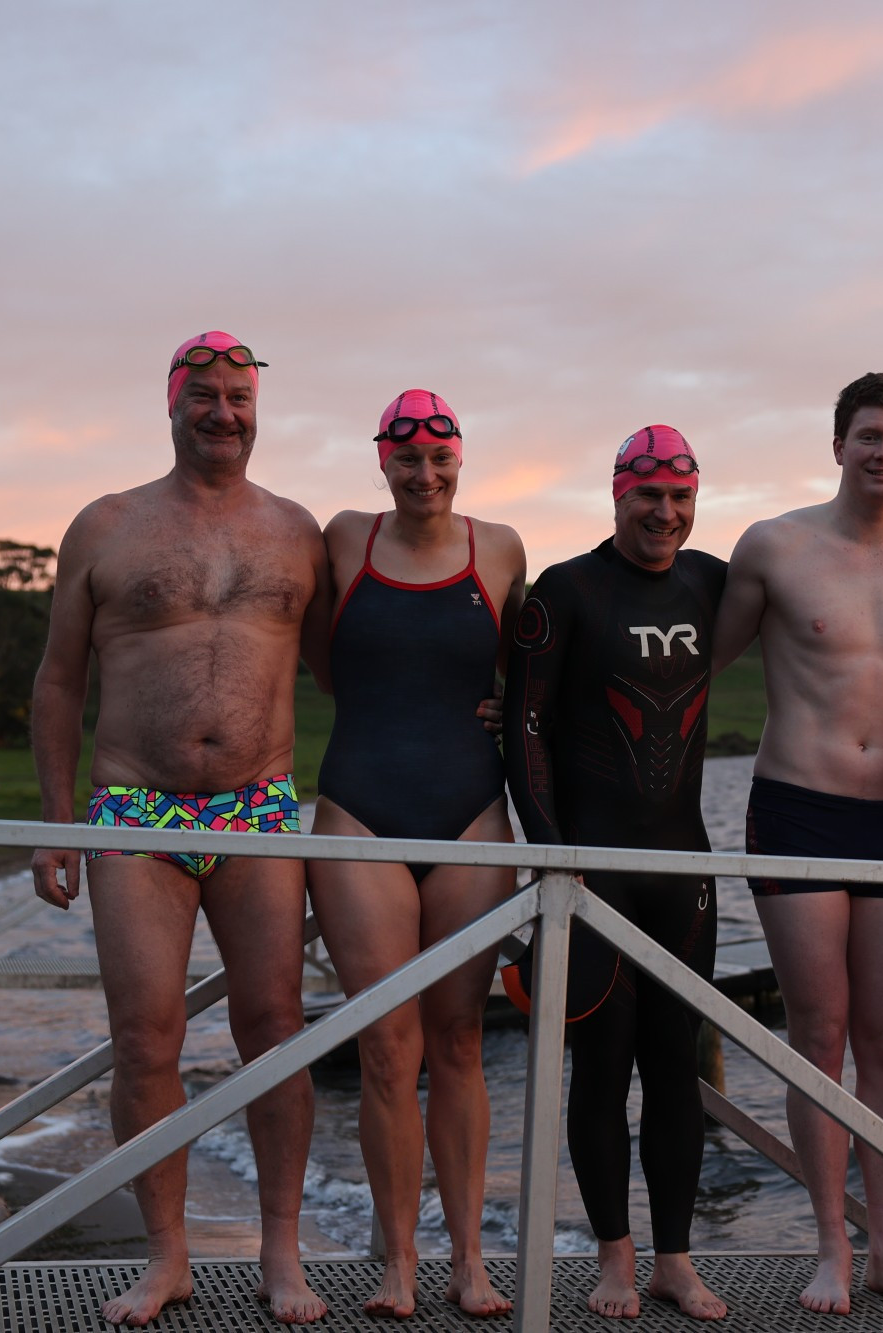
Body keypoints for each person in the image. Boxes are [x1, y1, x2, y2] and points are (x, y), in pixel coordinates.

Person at [30, 331, 328, 1326]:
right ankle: (168, 1256)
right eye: (204, 395)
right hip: (134, 809)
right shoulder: (105, 525)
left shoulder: (296, 530)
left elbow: (354, 664)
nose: (223, 412)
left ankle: (281, 1252)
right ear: (171, 403)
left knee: (276, 1030)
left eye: (238, 397)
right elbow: (60, 680)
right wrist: (56, 824)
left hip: (258, 806)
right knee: (145, 1036)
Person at [712, 371, 883, 1317]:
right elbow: (694, 658)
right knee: (817, 1035)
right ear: (838, 444)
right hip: (795, 809)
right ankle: (831, 1247)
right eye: (870, 436)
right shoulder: (775, 545)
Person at [303, 388, 525, 1319]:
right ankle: (396, 1259)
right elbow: (320, 655)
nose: (424, 475)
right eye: (407, 459)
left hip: (472, 810)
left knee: (461, 1040)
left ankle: (469, 1258)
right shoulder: (345, 539)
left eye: (440, 459)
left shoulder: (501, 549)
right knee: (387, 1047)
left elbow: (531, 673)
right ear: (382, 461)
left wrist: (501, 710)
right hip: (360, 806)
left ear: (460, 459)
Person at [506, 425, 730, 1322]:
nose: (664, 514)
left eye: (679, 497)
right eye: (648, 496)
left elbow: (811, 579)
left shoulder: (712, 581)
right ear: (616, 494)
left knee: (678, 1070)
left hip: (685, 870)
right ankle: (614, 1260)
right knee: (600, 1069)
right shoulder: (566, 591)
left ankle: (675, 1260)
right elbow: (522, 729)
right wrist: (555, 856)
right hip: (589, 872)